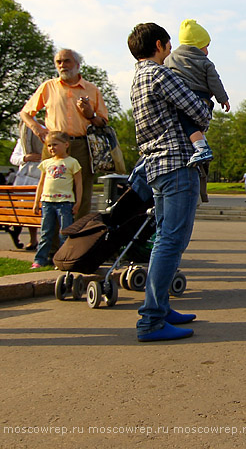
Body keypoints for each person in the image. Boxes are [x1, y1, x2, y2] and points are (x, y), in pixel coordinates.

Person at [127, 22, 211, 342]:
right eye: (169, 45)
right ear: (160, 45)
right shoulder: (161, 75)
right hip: (177, 163)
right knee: (171, 240)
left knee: (165, 237)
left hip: (155, 166)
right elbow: (197, 111)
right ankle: (151, 320)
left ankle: (159, 307)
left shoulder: (137, 78)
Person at [20, 48, 110, 219]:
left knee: (82, 191)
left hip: (81, 145)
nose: (62, 65)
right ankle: (53, 243)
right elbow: (25, 113)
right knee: (51, 191)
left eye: (66, 61)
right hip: (53, 145)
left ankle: (77, 240)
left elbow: (103, 122)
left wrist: (90, 115)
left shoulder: (91, 89)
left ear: (77, 64)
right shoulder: (48, 87)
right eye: (59, 62)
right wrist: (38, 129)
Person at [164, 19, 231, 167]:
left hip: (184, 97)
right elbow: (215, 81)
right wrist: (223, 99)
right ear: (197, 46)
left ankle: (201, 146)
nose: (207, 51)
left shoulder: (171, 58)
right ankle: (202, 143)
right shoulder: (205, 62)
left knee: (186, 121)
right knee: (195, 124)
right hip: (204, 98)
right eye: (205, 46)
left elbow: (164, 73)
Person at [30, 131, 82, 268]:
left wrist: (78, 202)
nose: (51, 148)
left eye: (55, 144)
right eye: (49, 145)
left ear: (66, 144)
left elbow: (79, 184)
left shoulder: (72, 163)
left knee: (64, 233)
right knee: (46, 232)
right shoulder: (46, 163)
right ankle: (40, 259)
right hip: (47, 202)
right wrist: (37, 202)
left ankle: (62, 260)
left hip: (65, 203)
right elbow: (41, 183)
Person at [10, 120, 44, 250]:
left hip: (39, 178)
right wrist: (26, 158)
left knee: (36, 210)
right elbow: (14, 158)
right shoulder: (22, 143)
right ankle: (33, 239)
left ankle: (40, 241)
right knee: (28, 210)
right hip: (24, 181)